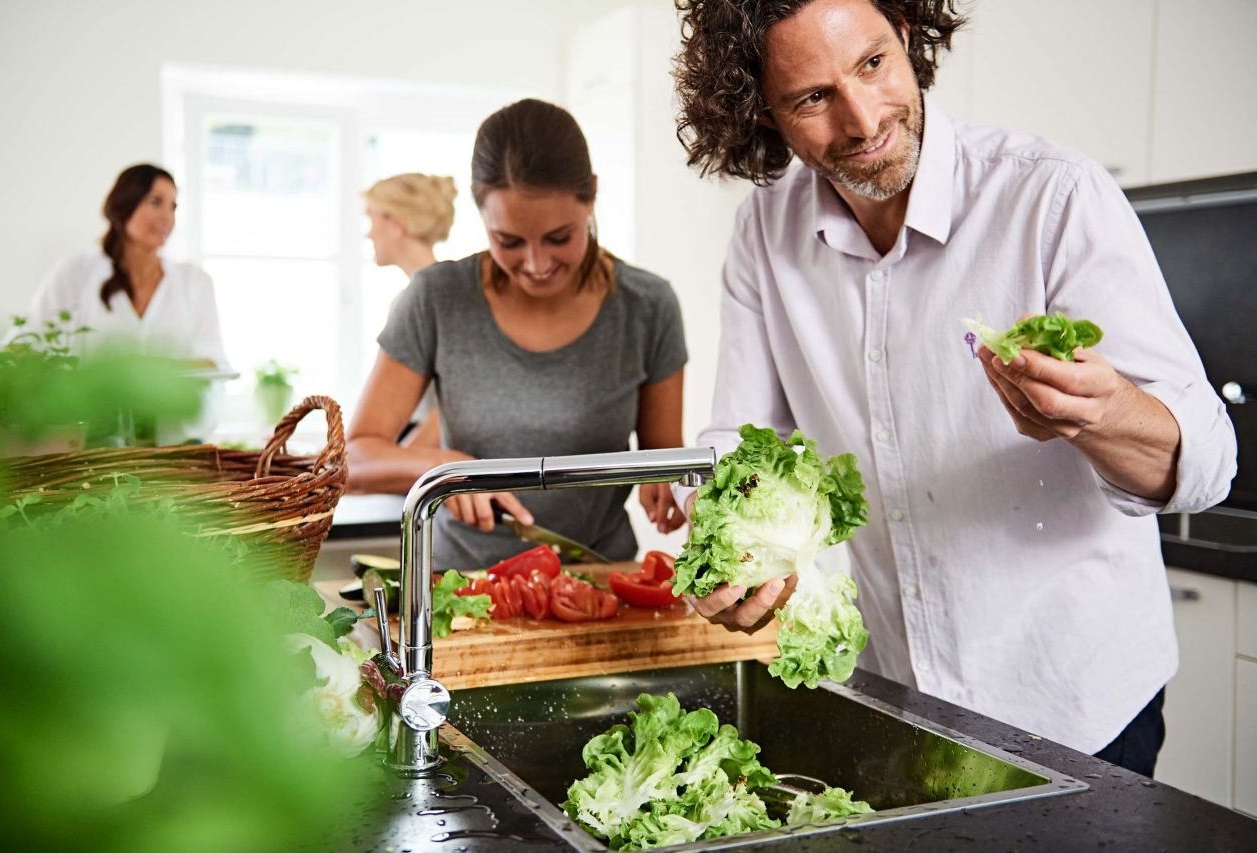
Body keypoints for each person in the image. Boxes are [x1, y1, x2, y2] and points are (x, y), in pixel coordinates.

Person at [670, 0, 1237, 777]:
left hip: (1074, 706)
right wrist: (728, 542)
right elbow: (741, 440)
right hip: (896, 701)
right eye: (812, 98)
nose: (864, 119)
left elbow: (1207, 459)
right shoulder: (764, 238)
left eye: (872, 63)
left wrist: (1100, 414)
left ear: (906, 35)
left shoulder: (1053, 198)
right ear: (762, 113)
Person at [347, 99, 689, 570]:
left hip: (597, 580)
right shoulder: (436, 299)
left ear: (591, 195)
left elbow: (663, 457)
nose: (536, 264)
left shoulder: (648, 306)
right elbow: (356, 458)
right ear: (481, 216)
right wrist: (443, 469)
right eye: (508, 241)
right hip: (462, 585)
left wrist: (667, 481)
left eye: (559, 237)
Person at [18, 164, 229, 370]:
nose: (167, 217)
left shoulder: (194, 281)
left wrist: (150, 367)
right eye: (155, 202)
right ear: (124, 206)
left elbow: (213, 361)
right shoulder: (74, 273)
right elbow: (24, 344)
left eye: (173, 207)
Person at [363, 172, 459, 448]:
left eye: (372, 219)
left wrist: (391, 464)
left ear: (396, 224)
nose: (368, 233)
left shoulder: (438, 299)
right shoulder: (417, 296)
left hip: (429, 455)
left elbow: (448, 409)